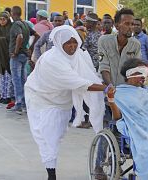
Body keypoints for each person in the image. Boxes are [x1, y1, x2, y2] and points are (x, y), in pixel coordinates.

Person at [25, 25, 106, 180]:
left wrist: (104, 87)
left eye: (74, 42)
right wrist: (105, 88)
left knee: (57, 133)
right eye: (68, 43)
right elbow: (78, 82)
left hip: (62, 100)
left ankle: (51, 166)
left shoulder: (79, 55)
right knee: (48, 136)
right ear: (58, 43)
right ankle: (51, 174)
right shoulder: (52, 60)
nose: (72, 46)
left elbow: (90, 75)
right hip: (41, 99)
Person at [8, 6, 39, 114]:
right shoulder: (25, 23)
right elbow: (37, 35)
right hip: (24, 55)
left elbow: (20, 36)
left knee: (17, 81)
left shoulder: (16, 24)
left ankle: (18, 105)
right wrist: (30, 47)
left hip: (17, 56)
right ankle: (25, 104)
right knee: (23, 80)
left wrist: (16, 51)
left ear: (12, 13)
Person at [98, 8, 141, 86]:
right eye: (127, 24)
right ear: (117, 26)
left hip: (125, 90)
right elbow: (104, 67)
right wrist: (110, 87)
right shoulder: (104, 41)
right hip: (105, 87)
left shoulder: (136, 45)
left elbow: (135, 70)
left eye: (132, 24)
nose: (131, 27)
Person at [0, 12, 14, 104]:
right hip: (0, 56)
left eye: (4, 19)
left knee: (8, 75)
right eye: (0, 19)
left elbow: (11, 41)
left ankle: (8, 96)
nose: (2, 21)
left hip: (8, 55)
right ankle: (3, 95)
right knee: (2, 75)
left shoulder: (11, 28)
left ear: (8, 19)